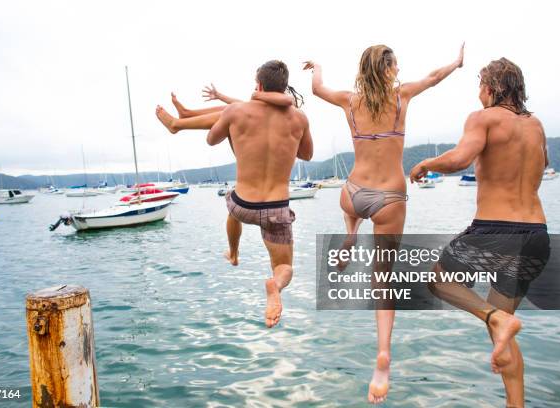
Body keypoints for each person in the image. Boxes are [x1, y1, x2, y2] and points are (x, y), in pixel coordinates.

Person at [305, 43, 464, 404]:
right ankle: (383, 358)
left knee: (348, 206)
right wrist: (456, 62)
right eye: (395, 64)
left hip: (355, 192)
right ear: (388, 68)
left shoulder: (349, 101)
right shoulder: (401, 97)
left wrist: (316, 66)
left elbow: (316, 89)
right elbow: (435, 77)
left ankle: (349, 236)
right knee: (383, 280)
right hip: (391, 198)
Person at [410, 57, 550, 408]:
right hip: (536, 235)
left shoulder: (483, 118)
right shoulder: (536, 125)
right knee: (501, 331)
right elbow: (542, 163)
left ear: (490, 88)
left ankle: (495, 317)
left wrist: (427, 163)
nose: (478, 94)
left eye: (480, 86)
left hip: (495, 229)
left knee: (438, 279)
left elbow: (460, 158)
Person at [158, 60, 313, 329]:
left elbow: (211, 139)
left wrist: (235, 129)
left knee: (232, 205)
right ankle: (274, 286)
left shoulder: (237, 111)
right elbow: (307, 155)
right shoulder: (299, 118)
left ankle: (233, 252)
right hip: (276, 210)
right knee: (284, 268)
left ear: (260, 85)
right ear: (283, 87)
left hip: (242, 205)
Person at [155, 83, 299, 134]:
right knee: (236, 108)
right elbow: (242, 104)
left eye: (257, 83)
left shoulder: (285, 104)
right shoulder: (269, 107)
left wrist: (256, 95)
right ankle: (187, 114)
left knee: (236, 111)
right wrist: (219, 96)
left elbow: (289, 100)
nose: (255, 88)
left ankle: (177, 125)